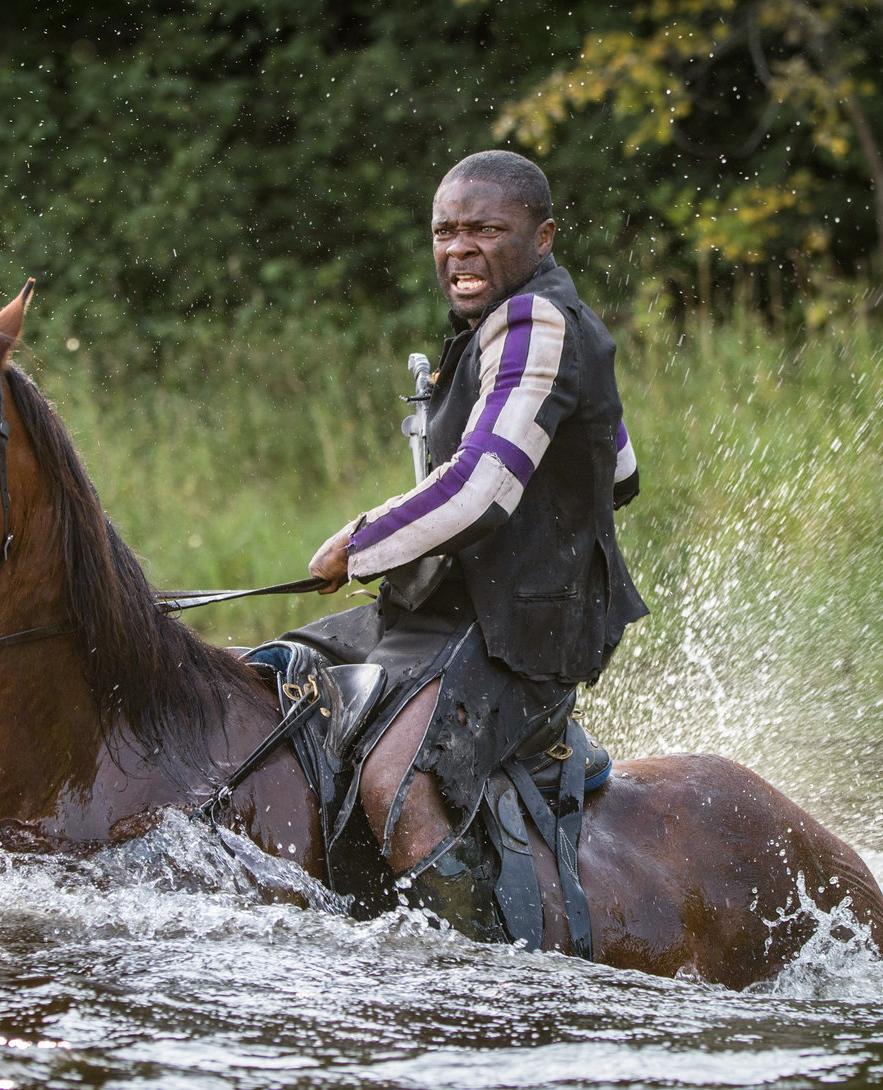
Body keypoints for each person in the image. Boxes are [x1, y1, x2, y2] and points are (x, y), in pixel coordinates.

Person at [295, 150, 647, 939]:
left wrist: (359, 543)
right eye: (445, 231)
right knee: (276, 679)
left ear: (543, 236)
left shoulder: (533, 321)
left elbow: (482, 486)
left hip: (519, 633)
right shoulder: (519, 324)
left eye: (486, 229)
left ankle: (481, 976)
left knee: (397, 785)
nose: (459, 248)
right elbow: (619, 468)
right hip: (455, 610)